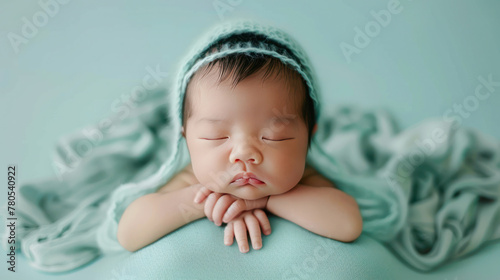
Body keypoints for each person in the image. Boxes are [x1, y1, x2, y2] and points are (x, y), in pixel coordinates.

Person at [117, 21, 363, 254]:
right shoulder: (192, 179)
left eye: (273, 137)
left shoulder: (306, 177)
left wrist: (266, 201)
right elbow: (129, 234)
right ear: (186, 137)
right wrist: (206, 202)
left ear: (309, 136)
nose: (244, 153)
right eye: (216, 136)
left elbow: (348, 223)